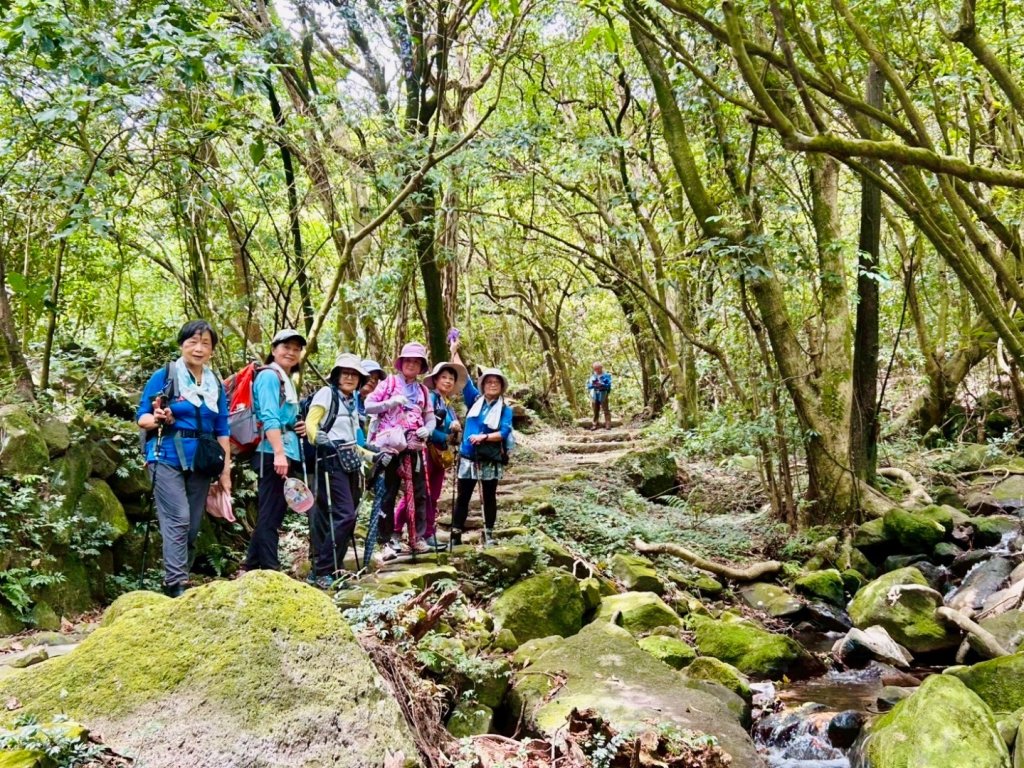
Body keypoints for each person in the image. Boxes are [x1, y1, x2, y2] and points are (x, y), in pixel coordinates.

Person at [136, 320, 230, 597]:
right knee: (178, 516)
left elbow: (222, 428)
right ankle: (176, 583)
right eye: (192, 342)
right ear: (182, 344)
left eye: (205, 344)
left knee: (192, 525)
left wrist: (225, 473)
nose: (198, 349)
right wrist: (157, 418)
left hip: (202, 460)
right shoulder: (165, 376)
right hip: (164, 455)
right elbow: (141, 417)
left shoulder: (215, 384)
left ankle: (178, 577)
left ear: (212, 350)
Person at [242, 328, 307, 572]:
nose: (290, 352)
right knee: (271, 512)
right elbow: (268, 416)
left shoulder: (284, 378)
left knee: (273, 509)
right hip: (271, 452)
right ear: (273, 350)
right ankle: (270, 567)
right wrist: (279, 453)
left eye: (296, 348)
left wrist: (295, 425)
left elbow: (281, 417)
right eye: (285, 347)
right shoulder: (270, 376)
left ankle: (251, 564)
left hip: (282, 450)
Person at [364, 342, 435, 558]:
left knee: (420, 492)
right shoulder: (389, 383)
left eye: (417, 361)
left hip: (414, 447)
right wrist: (390, 402)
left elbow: (429, 417)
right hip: (390, 447)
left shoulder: (423, 390)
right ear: (401, 363)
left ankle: (417, 537)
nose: (412, 364)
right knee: (388, 492)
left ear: (421, 366)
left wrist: (427, 429)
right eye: (409, 360)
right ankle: (385, 542)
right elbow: (368, 405)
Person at [304, 353, 367, 589]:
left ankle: (333, 570)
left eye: (354, 374)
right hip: (330, 460)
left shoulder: (353, 401)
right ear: (337, 376)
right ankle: (322, 570)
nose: (350, 377)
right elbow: (312, 421)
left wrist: (372, 455)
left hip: (350, 461)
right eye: (345, 373)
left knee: (341, 518)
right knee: (345, 515)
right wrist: (316, 436)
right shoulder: (326, 394)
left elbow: (354, 439)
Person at [395, 359, 466, 548]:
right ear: (435, 380)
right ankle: (396, 530)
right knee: (418, 493)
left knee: (433, 495)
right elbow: (425, 427)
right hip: (425, 451)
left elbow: (451, 436)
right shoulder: (431, 398)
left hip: (439, 456)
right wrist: (446, 434)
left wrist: (455, 431)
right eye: (444, 377)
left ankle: (427, 533)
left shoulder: (448, 405)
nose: (448, 381)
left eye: (451, 378)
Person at [449, 341, 513, 548]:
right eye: (488, 382)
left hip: (489, 457)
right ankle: (456, 533)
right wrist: (454, 352)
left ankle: (489, 533)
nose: (492, 385)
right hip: (468, 456)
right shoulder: (474, 400)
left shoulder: (505, 409)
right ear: (483, 385)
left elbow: (503, 432)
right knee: (463, 496)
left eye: (496, 382)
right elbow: (465, 377)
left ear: (501, 386)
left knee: (489, 496)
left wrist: (484, 437)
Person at [587, 362, 613, 430]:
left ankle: (608, 424)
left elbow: (609, 385)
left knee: (606, 410)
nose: (597, 370)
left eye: (598, 368)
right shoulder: (592, 376)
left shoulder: (606, 375)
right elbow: (588, 386)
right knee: (595, 410)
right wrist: (593, 385)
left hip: (603, 394)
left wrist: (602, 385)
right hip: (595, 395)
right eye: (595, 369)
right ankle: (595, 424)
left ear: (601, 368)